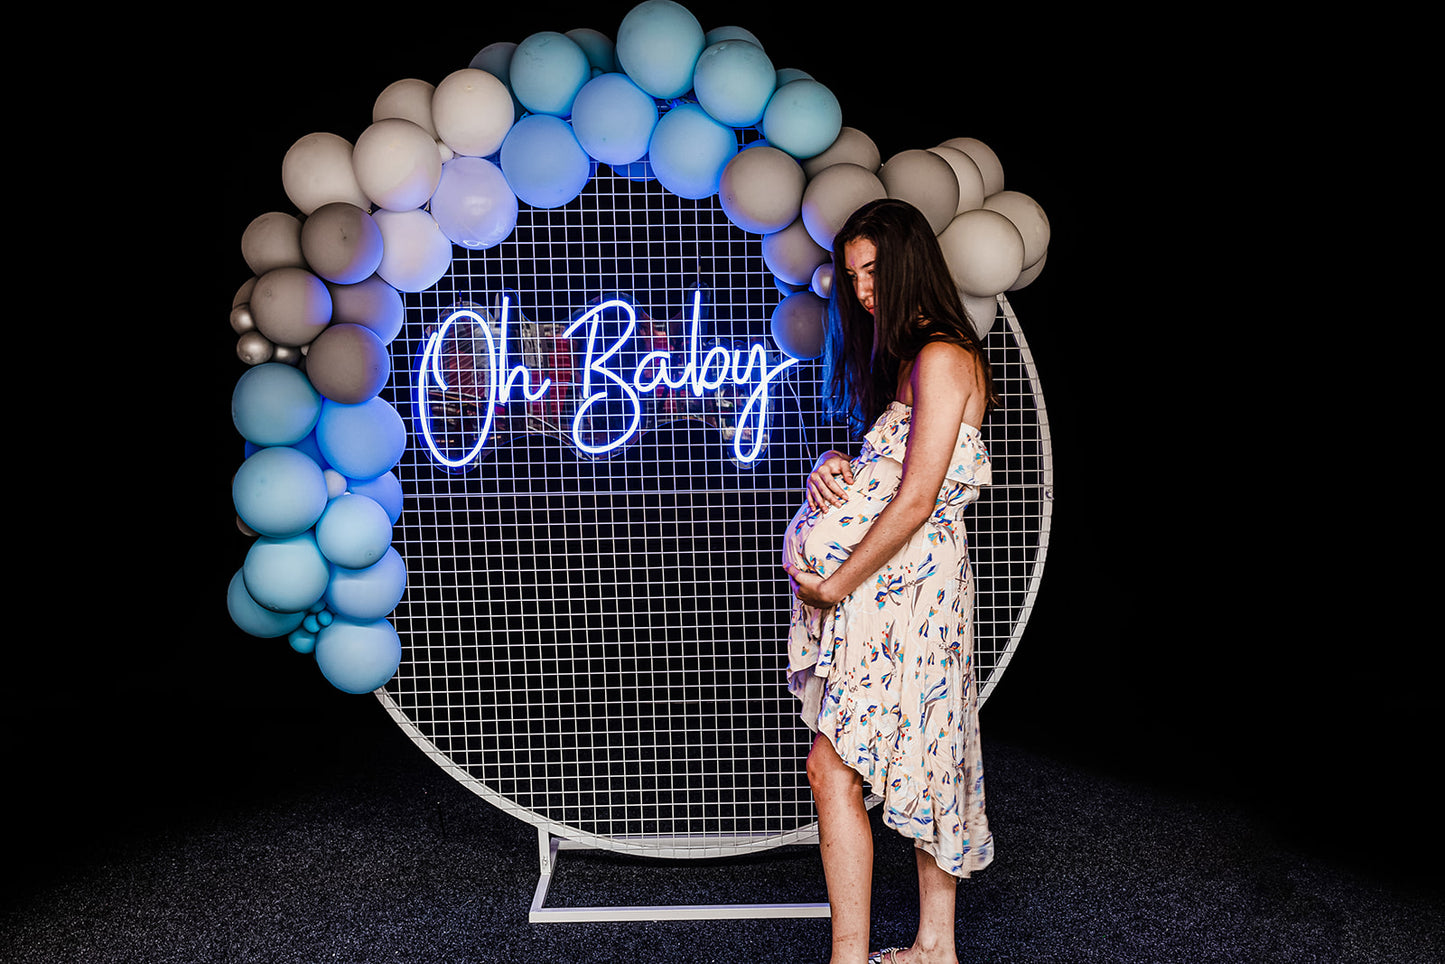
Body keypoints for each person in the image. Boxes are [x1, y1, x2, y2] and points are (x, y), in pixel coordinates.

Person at [782, 197, 997, 964]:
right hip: (886, 587)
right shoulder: (911, 359)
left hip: (911, 590)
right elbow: (888, 476)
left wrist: (833, 585)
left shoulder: (941, 356)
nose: (863, 290)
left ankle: (862, 956)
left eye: (874, 271)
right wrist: (831, 468)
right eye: (853, 276)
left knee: (868, 757)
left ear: (910, 263)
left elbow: (914, 501)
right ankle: (931, 948)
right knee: (899, 750)